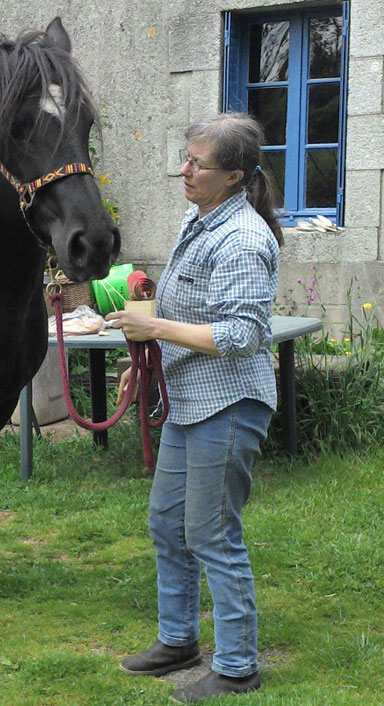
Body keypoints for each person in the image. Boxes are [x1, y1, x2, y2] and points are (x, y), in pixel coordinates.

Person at [107, 112, 282, 704]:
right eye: (185, 157)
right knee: (167, 523)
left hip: (229, 405)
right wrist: (146, 356)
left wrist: (152, 325)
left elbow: (241, 335)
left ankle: (237, 668)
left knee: (212, 533)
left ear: (234, 176)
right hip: (188, 398)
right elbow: (194, 310)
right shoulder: (199, 217)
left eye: (197, 163)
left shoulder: (244, 239)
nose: (184, 170)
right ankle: (178, 640)